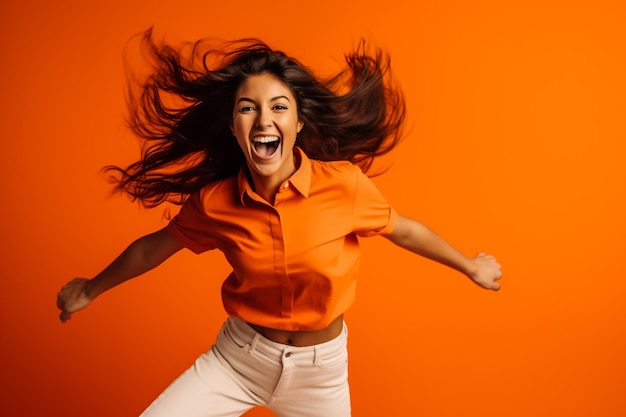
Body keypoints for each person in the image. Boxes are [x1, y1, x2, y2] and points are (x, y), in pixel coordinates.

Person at [56, 29, 502, 417]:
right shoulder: (215, 202)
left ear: (297, 122)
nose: (264, 119)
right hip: (237, 361)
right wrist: (90, 288)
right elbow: (153, 247)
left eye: (279, 107)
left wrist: (469, 265)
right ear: (233, 126)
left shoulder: (344, 186)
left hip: (320, 375)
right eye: (248, 108)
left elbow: (403, 228)